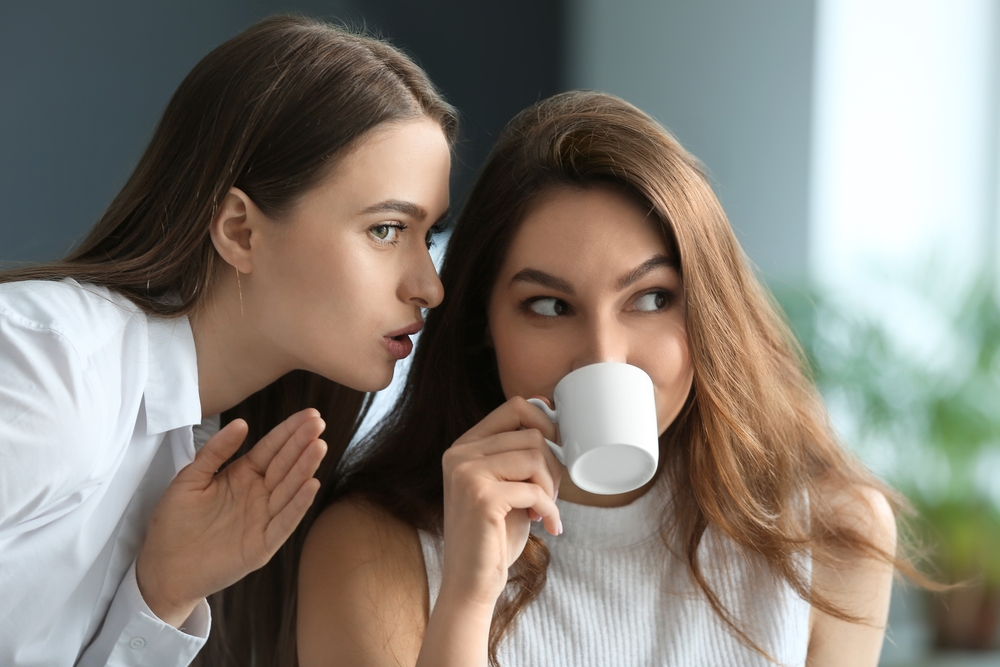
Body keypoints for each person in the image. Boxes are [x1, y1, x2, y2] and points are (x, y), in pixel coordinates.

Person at [297, 91, 915, 667]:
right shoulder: (371, 549)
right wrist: (467, 593)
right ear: (482, 323)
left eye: (650, 299)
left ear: (707, 310)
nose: (603, 356)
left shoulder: (831, 535)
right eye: (548, 306)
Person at [0, 16, 456, 667]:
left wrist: (162, 594)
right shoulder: (48, 371)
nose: (428, 286)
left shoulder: (210, 456)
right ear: (241, 230)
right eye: (386, 229)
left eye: (427, 234)